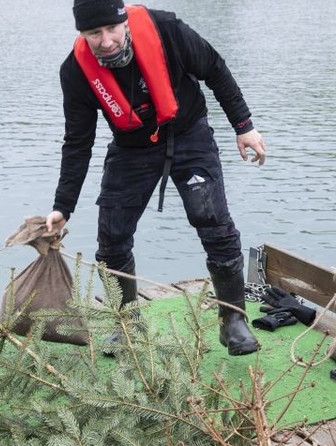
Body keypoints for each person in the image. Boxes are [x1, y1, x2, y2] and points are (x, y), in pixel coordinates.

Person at [47, 0, 267, 356]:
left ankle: (233, 320)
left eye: (111, 28)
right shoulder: (75, 71)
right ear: (82, 33)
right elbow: (77, 142)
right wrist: (63, 206)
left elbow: (215, 68)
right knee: (112, 238)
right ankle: (127, 326)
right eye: (94, 33)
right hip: (131, 148)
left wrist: (244, 126)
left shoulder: (167, 30)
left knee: (214, 223)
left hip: (188, 134)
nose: (106, 41)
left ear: (123, 21)